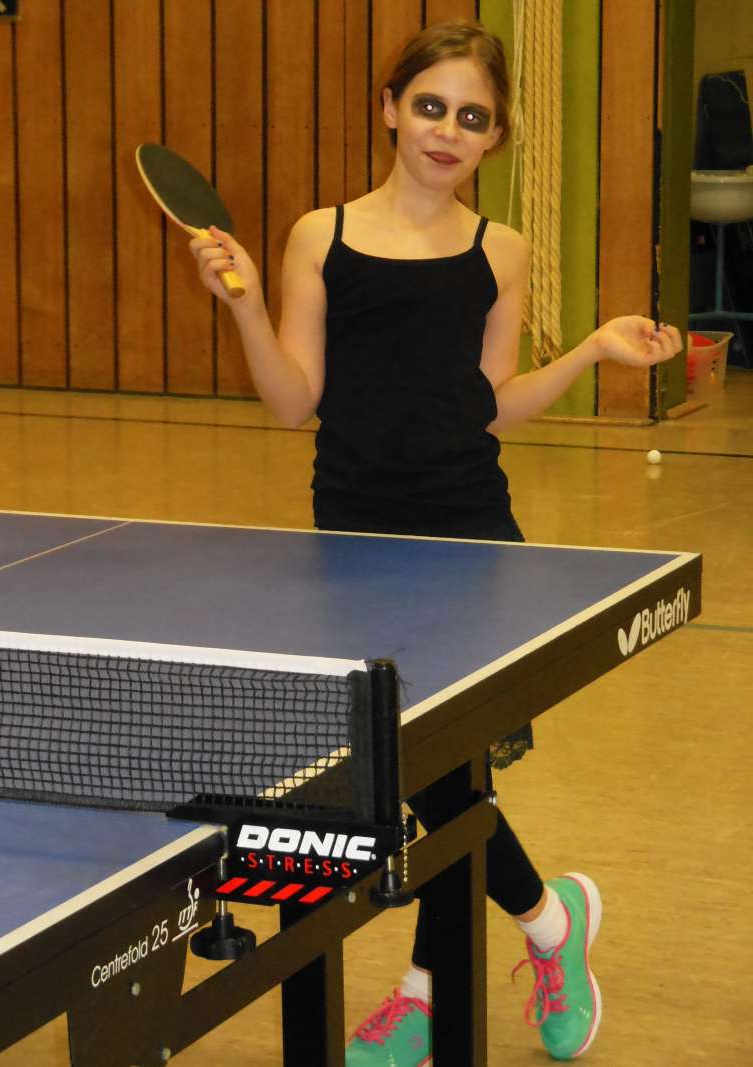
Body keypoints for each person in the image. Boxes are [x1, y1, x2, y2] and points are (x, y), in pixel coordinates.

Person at [190, 19, 681, 1064]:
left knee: (441, 775)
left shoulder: (499, 249)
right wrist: (243, 307)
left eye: (472, 117)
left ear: (494, 137)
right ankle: (548, 923)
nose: (447, 131)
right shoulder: (319, 236)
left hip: (468, 539)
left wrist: (592, 350)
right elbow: (293, 402)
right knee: (418, 776)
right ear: (388, 107)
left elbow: (489, 404)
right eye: (429, 106)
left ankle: (428, 990)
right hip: (351, 539)